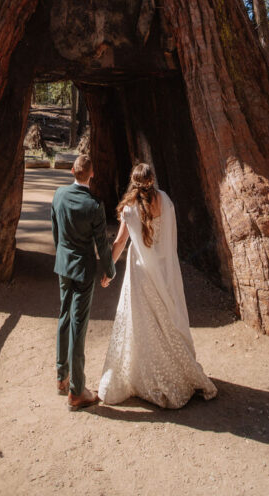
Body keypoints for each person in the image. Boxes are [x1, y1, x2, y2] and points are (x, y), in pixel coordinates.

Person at [98, 162, 217, 408]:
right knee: (166, 320)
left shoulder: (129, 208)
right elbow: (170, 237)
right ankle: (178, 372)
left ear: (133, 181)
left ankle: (148, 374)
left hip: (140, 273)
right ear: (152, 180)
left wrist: (109, 271)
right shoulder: (165, 200)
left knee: (144, 324)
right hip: (164, 271)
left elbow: (120, 242)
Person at [51, 152, 115, 410]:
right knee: (79, 323)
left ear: (71, 172)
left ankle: (61, 377)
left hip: (64, 266)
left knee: (63, 316)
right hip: (84, 270)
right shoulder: (94, 205)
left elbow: (56, 229)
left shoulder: (58, 195)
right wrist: (109, 270)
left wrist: (61, 256)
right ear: (92, 175)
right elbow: (101, 243)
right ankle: (77, 391)